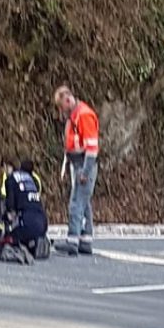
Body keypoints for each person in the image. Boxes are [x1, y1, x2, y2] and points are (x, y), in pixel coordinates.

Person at [53, 85, 99, 255]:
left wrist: (85, 172)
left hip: (83, 164)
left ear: (68, 100)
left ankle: (72, 239)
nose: (61, 111)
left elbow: (92, 147)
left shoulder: (83, 115)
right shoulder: (75, 115)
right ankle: (85, 239)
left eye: (61, 107)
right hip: (77, 163)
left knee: (76, 203)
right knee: (84, 203)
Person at [3, 159, 49, 259]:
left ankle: (23, 242)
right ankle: (35, 242)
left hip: (26, 222)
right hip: (42, 222)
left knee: (9, 240)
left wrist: (7, 217)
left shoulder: (11, 179)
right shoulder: (31, 179)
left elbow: (10, 205)